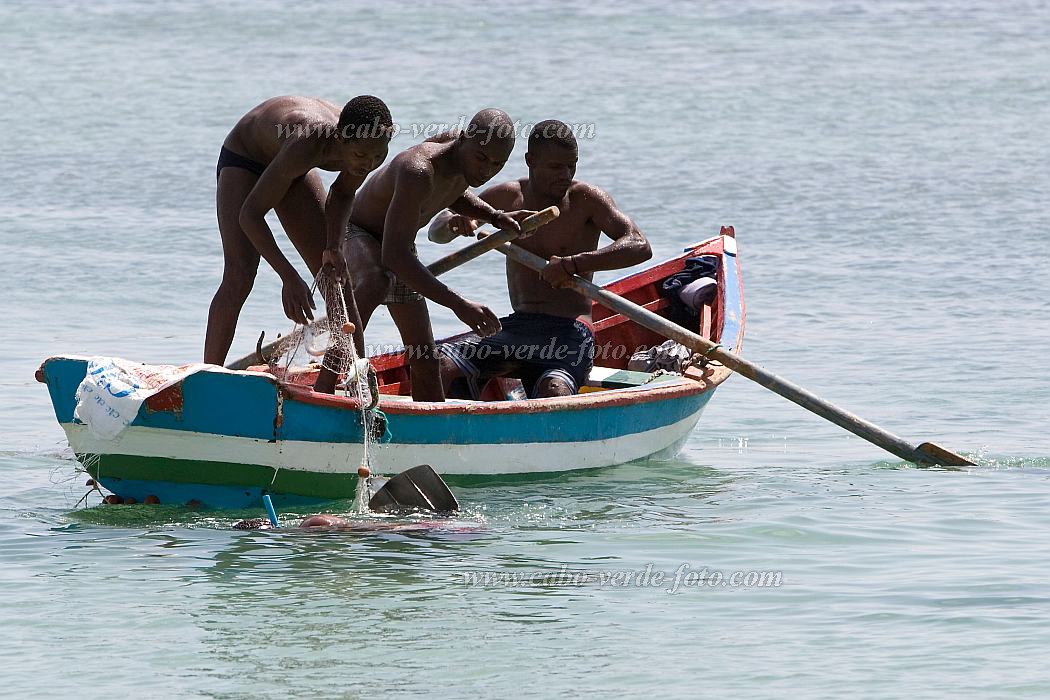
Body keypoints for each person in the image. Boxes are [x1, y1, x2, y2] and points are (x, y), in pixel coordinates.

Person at [313, 109, 535, 400]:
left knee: (426, 359)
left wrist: (494, 216)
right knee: (376, 280)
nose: (486, 171)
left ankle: (430, 431)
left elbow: (452, 191)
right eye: (481, 159)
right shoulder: (418, 170)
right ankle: (324, 387)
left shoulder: (462, 159)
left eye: (498, 164)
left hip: (398, 242)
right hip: (356, 230)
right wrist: (459, 305)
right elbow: (394, 256)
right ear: (464, 139)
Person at [428, 119, 652, 399]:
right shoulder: (507, 197)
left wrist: (574, 264)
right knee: (438, 366)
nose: (566, 174)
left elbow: (640, 245)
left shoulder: (585, 199)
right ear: (530, 160)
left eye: (572, 165)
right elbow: (435, 232)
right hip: (518, 328)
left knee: (553, 391)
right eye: (557, 167)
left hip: (569, 333)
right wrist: (454, 224)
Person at [205, 95, 394, 366]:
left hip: (289, 165)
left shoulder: (368, 145)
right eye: (361, 156)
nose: (367, 164)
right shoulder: (309, 142)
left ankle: (357, 376)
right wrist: (288, 277)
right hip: (247, 156)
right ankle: (207, 374)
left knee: (337, 279)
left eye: (378, 156)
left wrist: (334, 247)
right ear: (341, 138)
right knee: (240, 274)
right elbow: (250, 215)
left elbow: (341, 194)